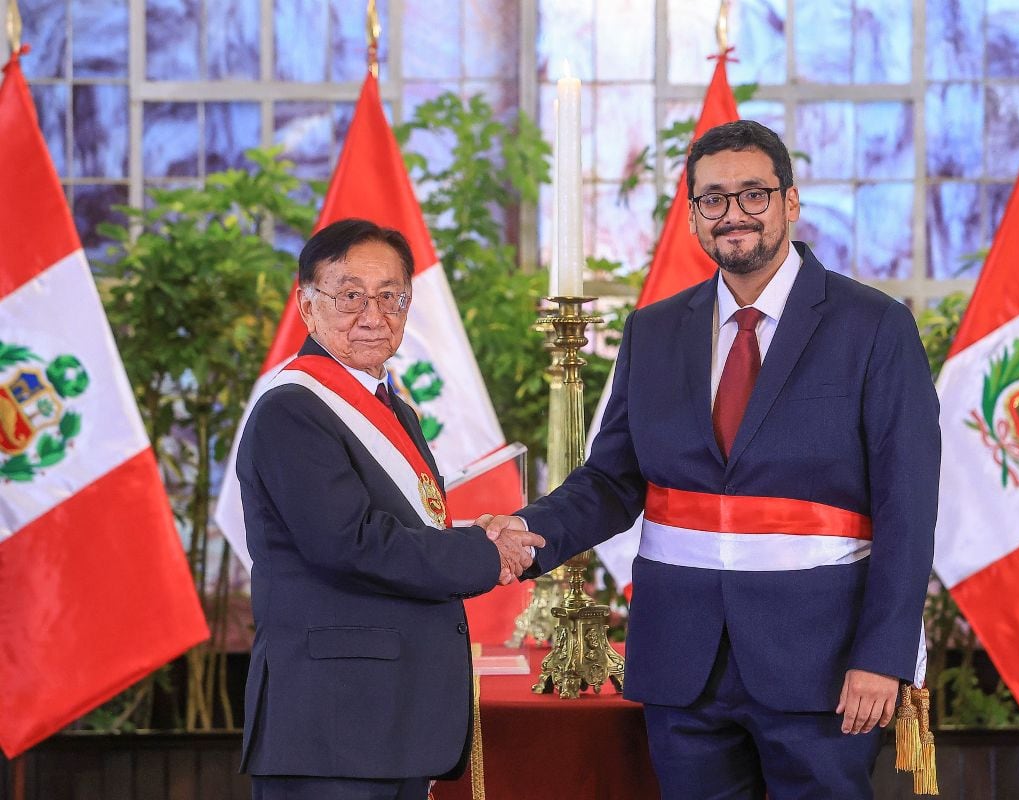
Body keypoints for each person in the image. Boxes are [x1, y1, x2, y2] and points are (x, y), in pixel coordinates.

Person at [480, 120, 940, 799]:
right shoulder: (654, 329)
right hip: (682, 664)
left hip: (823, 665)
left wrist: (883, 656)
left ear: (791, 202)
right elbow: (612, 480)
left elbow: (908, 506)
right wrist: (527, 532)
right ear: (694, 214)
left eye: (754, 194)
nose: (734, 214)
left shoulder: (874, 326)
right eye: (713, 199)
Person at [237, 218, 544, 800]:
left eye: (390, 296)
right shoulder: (292, 411)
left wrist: (471, 532)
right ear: (307, 306)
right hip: (333, 723)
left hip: (388, 719)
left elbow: (402, 527)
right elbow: (349, 543)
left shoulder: (392, 408)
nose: (373, 314)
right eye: (350, 295)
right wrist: (483, 554)